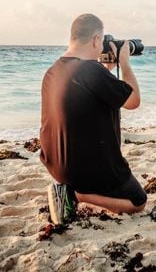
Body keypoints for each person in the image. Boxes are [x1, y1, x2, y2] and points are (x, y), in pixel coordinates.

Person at [39, 13, 146, 223]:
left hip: (56, 166)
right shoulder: (90, 69)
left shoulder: (53, 70)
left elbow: (88, 95)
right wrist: (124, 62)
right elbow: (133, 101)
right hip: (85, 172)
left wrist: (106, 69)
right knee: (138, 201)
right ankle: (75, 195)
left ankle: (69, 188)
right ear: (97, 39)